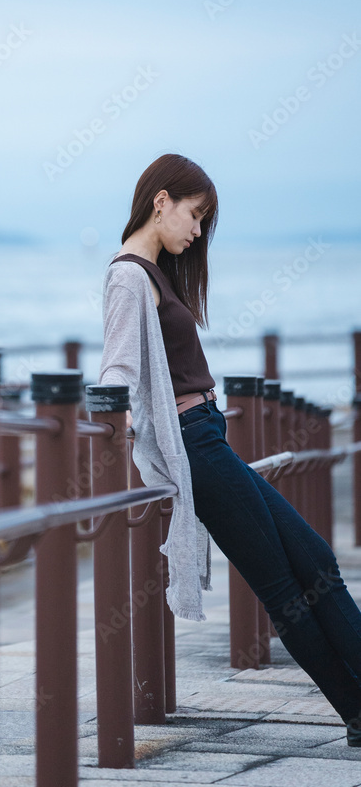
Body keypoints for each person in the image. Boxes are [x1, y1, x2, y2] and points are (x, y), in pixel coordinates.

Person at [98, 152, 361, 746]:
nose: (196, 233)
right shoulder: (128, 276)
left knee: (313, 563)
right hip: (195, 446)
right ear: (160, 200)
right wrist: (110, 429)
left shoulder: (155, 272)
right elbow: (117, 367)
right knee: (287, 584)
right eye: (194, 216)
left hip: (208, 437)